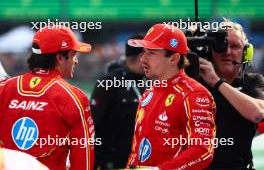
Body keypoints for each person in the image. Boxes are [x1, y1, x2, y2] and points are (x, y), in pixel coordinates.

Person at [0, 25, 95, 170]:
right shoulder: (74, 97)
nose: (76, 61)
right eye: (73, 55)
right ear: (60, 58)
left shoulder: (4, 88)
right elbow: (83, 157)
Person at [127, 23, 216, 169]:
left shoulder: (195, 94)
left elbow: (203, 151)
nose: (143, 59)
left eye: (151, 53)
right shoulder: (148, 94)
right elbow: (136, 152)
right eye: (143, 51)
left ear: (174, 58)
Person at [198, 19, 264, 169]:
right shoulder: (194, 83)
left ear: (246, 53)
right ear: (210, 51)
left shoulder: (253, 81)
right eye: (221, 45)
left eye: (235, 46)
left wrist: (217, 82)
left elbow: (258, 113)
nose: (227, 52)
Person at [90, 33, 146, 169]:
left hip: (138, 162)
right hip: (111, 163)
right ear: (141, 57)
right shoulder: (109, 82)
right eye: (150, 53)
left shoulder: (149, 81)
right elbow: (93, 124)